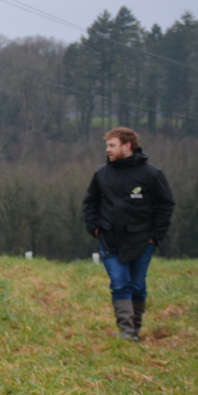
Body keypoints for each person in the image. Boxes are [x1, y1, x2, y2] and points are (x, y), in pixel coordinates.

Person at [82, 126, 174, 341]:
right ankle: (126, 331)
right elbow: (90, 202)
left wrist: (155, 234)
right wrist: (94, 227)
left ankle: (135, 328)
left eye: (112, 145)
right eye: (107, 145)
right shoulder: (101, 174)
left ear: (127, 146)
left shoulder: (152, 174)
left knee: (137, 285)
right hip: (109, 239)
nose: (107, 150)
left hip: (142, 240)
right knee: (120, 283)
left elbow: (165, 204)